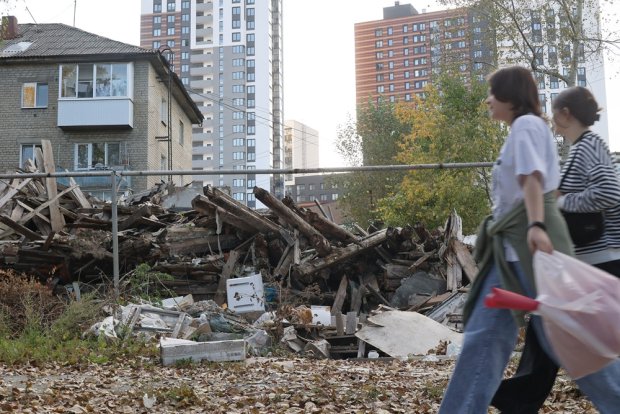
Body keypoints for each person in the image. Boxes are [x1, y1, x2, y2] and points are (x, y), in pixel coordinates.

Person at [438, 67, 620, 414]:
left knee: (571, 340)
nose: (488, 99)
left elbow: (534, 181)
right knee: (486, 339)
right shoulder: (525, 129)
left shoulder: (526, 127)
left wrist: (536, 225)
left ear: (510, 95)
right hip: (511, 251)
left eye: (493, 92)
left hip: (529, 245)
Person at [492, 86, 620, 413]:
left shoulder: (588, 146)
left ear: (566, 114)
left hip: (601, 258)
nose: (552, 120)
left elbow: (609, 192)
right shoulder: (583, 147)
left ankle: (517, 398)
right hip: (592, 258)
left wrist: (563, 201)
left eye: (555, 112)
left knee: (564, 331)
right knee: (550, 327)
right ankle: (517, 398)